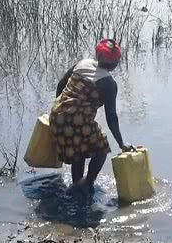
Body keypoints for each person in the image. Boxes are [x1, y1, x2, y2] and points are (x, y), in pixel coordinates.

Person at [50, 39, 131, 187]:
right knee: (101, 148)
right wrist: (121, 143)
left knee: (77, 151)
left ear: (97, 55)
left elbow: (61, 85)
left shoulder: (83, 63)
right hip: (77, 120)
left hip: (57, 115)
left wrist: (60, 111)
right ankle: (87, 184)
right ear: (114, 64)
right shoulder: (108, 84)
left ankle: (76, 185)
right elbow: (111, 118)